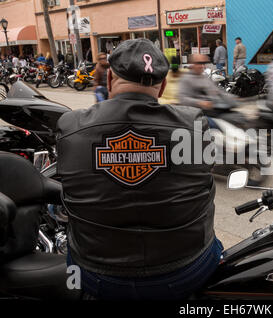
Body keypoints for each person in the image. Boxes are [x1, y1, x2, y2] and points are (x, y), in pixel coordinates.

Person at [57, 39, 222, 300]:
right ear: (163, 86)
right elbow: (204, 178)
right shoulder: (193, 123)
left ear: (109, 79)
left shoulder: (70, 126)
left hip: (96, 276)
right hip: (186, 272)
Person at [178, 54, 237, 127]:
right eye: (198, 63)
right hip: (199, 115)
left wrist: (233, 98)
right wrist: (200, 103)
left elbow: (219, 92)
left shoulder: (204, 77)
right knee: (222, 126)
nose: (202, 66)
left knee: (238, 118)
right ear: (192, 64)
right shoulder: (186, 79)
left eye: (203, 63)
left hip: (215, 110)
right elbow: (183, 99)